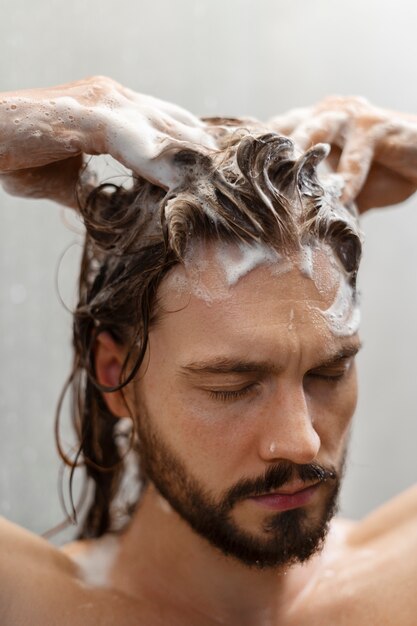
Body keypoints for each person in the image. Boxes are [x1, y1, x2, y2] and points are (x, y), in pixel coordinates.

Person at [0, 76, 416, 626]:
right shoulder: (33, 606)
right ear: (116, 374)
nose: (300, 442)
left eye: (328, 372)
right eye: (233, 386)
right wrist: (17, 121)